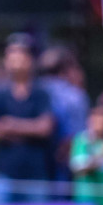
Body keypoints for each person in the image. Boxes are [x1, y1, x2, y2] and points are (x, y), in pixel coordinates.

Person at [0, 34, 56, 203]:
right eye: (11, 56)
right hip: (4, 173)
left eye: (21, 55)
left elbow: (45, 128)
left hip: (35, 175)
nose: (16, 61)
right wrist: (30, 129)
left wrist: (11, 125)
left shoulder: (41, 93)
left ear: (30, 60)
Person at [38, 45, 91, 179]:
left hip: (35, 162)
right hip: (63, 164)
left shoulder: (34, 90)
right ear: (67, 69)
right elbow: (78, 134)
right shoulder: (75, 96)